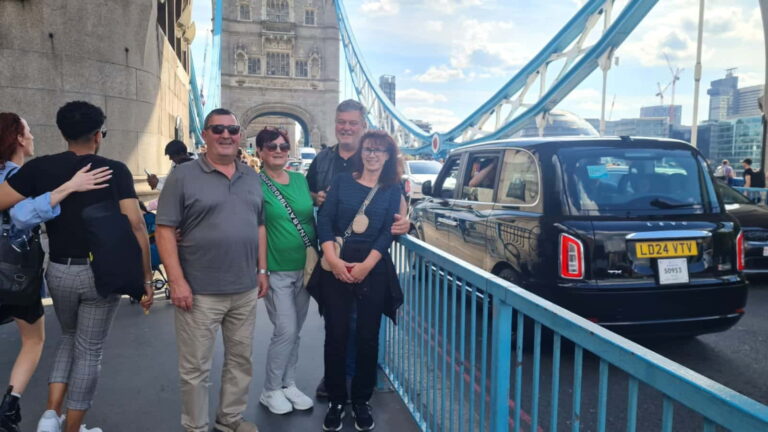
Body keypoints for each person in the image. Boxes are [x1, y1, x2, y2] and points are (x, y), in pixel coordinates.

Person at [0, 101, 153, 432]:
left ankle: (49, 417)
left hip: (58, 271)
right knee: (90, 351)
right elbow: (136, 224)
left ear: (63, 132)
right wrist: (146, 278)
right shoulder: (114, 170)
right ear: (98, 135)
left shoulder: (40, 168)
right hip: (101, 273)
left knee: (69, 337)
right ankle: (72, 428)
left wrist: (58, 191)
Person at [156, 108, 268, 432]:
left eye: (232, 129)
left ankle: (229, 419)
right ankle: (196, 426)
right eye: (217, 129)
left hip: (244, 289)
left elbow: (259, 225)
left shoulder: (251, 176)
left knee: (240, 361)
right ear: (205, 135)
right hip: (199, 291)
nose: (225, 135)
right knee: (195, 369)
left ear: (240, 136)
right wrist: (177, 281)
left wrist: (262, 271)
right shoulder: (182, 176)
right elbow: (164, 230)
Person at [306, 99, 410, 399]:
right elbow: (312, 201)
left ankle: (356, 385)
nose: (346, 127)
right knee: (337, 326)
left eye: (353, 122)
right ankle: (337, 384)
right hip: (334, 255)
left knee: (363, 329)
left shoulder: (386, 177)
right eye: (342, 122)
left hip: (368, 263)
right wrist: (318, 199)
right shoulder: (323, 161)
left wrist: (407, 224)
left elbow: (396, 215)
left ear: (363, 127)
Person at [254, 128, 315, 415]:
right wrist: (261, 270)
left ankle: (288, 384)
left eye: (283, 146)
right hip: (276, 270)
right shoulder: (254, 184)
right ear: (260, 151)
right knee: (285, 330)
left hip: (306, 269)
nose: (278, 150)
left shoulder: (301, 180)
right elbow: (253, 225)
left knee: (295, 331)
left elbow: (314, 212)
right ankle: (270, 390)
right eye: (271, 146)